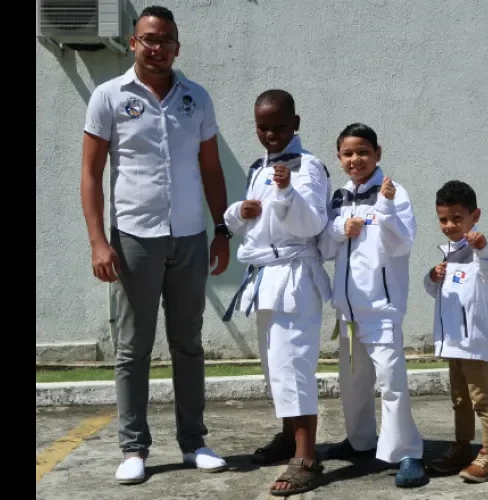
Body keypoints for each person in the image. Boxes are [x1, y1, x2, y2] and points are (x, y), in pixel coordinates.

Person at [80, 5, 230, 485]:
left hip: (188, 236)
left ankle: (194, 442)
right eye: (148, 38)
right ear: (132, 42)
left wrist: (222, 230)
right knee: (133, 348)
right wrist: (98, 241)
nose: (157, 47)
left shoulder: (197, 98)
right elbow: (90, 173)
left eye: (165, 39)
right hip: (133, 240)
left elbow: (210, 168)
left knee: (187, 344)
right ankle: (133, 447)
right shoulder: (109, 97)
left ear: (177, 47)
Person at [222, 89, 332, 496]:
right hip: (266, 277)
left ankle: (306, 457)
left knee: (295, 365)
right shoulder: (259, 167)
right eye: (263, 128)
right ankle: (288, 438)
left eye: (279, 127)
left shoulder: (308, 167)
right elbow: (252, 223)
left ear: (296, 124)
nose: (271, 135)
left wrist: (286, 194)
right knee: (274, 366)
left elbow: (312, 224)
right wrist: (240, 212)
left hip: (295, 276)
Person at [318, 123, 429, 488]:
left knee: (391, 384)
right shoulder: (338, 197)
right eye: (348, 153)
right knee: (352, 384)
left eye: (363, 152)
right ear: (339, 158)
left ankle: (407, 451)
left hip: (381, 310)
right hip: (347, 312)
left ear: (377, 154)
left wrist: (384, 208)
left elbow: (402, 245)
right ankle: (361, 441)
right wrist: (339, 230)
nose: (356, 159)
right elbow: (323, 248)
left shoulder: (394, 192)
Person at [423, 180, 488, 482]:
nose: (449, 225)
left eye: (457, 218)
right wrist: (432, 277)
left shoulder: (481, 255)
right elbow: (437, 294)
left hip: (474, 342)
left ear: (475, 216)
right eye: (443, 219)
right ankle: (461, 447)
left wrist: (484, 249)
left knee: (482, 400)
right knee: (459, 400)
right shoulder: (448, 254)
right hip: (452, 343)